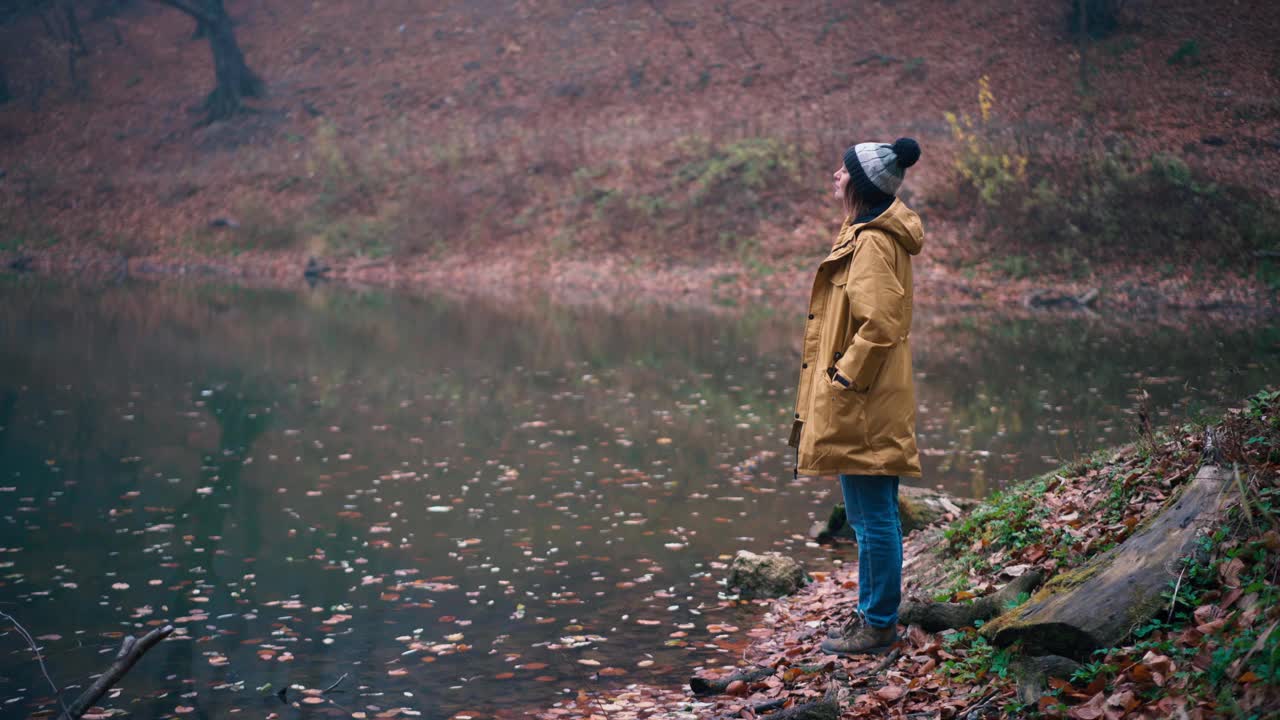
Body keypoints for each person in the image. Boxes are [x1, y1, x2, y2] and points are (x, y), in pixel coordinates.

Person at [787, 137, 924, 656]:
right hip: (873, 397)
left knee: (870, 517)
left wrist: (845, 377)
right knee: (876, 513)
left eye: (842, 172)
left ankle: (878, 624)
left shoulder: (869, 241)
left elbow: (882, 321)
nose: (835, 177)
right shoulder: (872, 233)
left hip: (864, 400)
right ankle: (875, 615)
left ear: (861, 184)